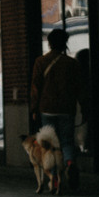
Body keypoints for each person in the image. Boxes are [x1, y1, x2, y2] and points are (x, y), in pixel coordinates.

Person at [30, 28, 83, 188]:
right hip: (66, 108)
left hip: (47, 108)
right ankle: (69, 162)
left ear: (50, 43)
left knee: (50, 144)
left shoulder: (40, 62)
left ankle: (53, 175)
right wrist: (85, 107)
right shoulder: (72, 63)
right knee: (66, 141)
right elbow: (79, 88)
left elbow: (35, 87)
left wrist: (33, 108)